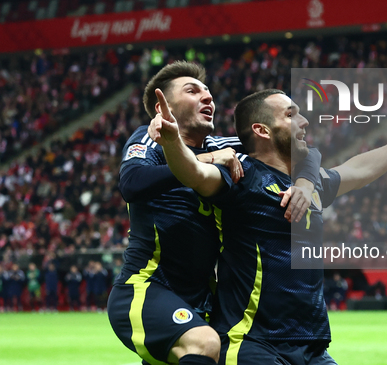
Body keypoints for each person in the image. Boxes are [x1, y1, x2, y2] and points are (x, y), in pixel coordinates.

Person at [148, 88, 387, 364]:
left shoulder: (312, 186)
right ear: (262, 130)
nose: (303, 122)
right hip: (253, 342)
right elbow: (195, 173)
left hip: (311, 345)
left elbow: (358, 169)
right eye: (290, 115)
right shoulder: (242, 175)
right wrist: (173, 142)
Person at [108, 62, 321, 365]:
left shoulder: (227, 146)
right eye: (192, 91)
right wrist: (204, 158)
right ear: (162, 107)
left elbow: (303, 148)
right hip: (147, 288)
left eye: (208, 92)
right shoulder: (149, 139)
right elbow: (131, 184)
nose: (207, 97)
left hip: (203, 300)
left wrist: (303, 183)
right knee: (205, 343)